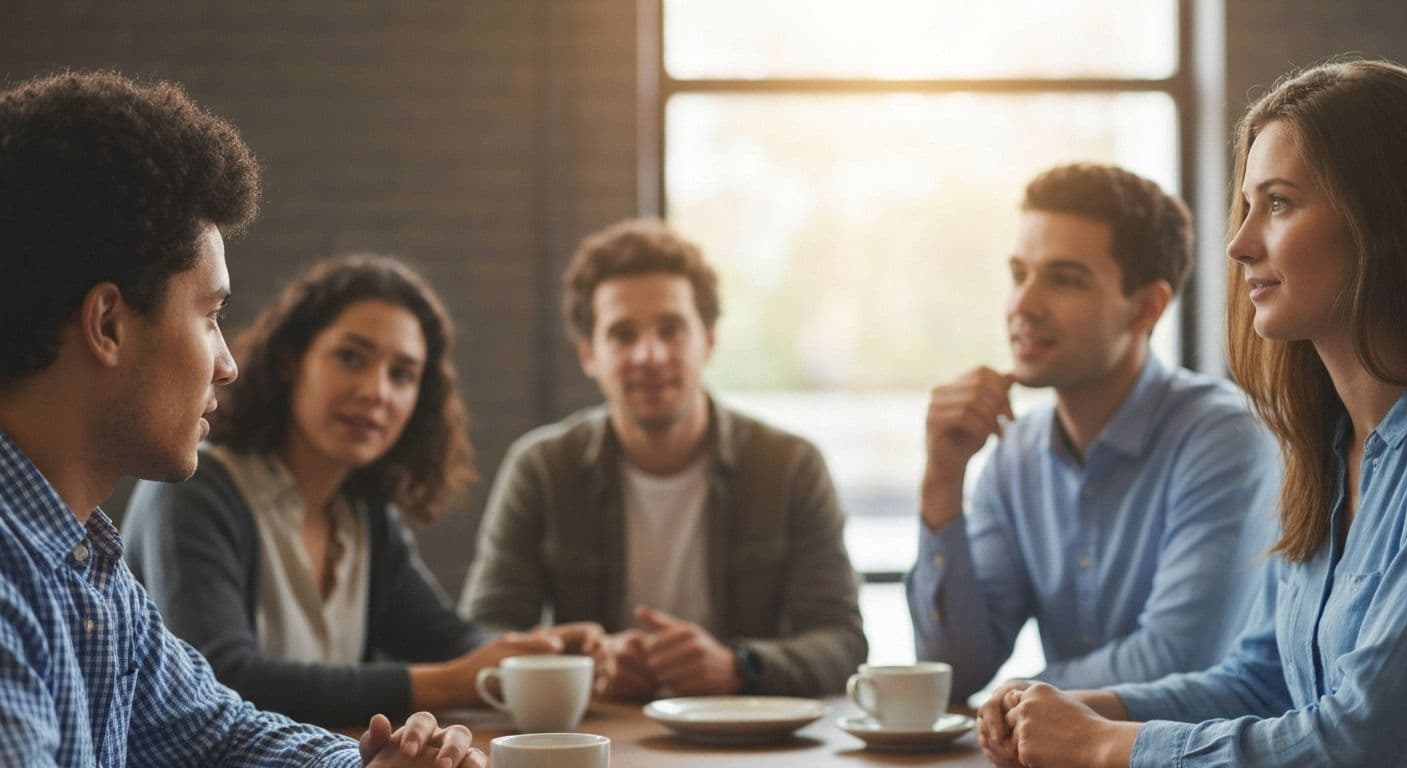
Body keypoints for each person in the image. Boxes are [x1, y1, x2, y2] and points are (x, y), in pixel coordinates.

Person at [0, 71, 481, 766]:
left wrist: (368, 766)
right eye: (210, 316)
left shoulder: (83, 563)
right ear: (107, 323)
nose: (226, 362)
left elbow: (219, 732)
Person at [983, 58, 1407, 767]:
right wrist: (1082, 708)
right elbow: (1262, 679)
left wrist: (1104, 747)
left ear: (1381, 221)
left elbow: (1363, 740)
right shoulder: (1322, 454)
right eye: (1247, 205)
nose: (1240, 244)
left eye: (1278, 203)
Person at [123, 255, 602, 728]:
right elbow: (222, 680)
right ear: (292, 360)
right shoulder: (195, 491)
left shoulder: (363, 514)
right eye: (351, 358)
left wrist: (548, 653)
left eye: (402, 374)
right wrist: (448, 683)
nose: (376, 392)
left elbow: (445, 638)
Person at [906, 163, 1280, 701]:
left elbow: (1174, 658)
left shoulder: (1222, 437)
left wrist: (1015, 699)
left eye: (1064, 279)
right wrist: (941, 481)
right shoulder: (1013, 454)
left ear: (1147, 307)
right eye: (1019, 275)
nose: (1023, 306)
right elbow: (954, 672)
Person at [460, 218, 867, 698]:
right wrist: (584, 663)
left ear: (708, 340)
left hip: (746, 739)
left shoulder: (791, 466)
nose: (649, 355)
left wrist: (740, 666)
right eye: (623, 335)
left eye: (670, 330)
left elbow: (842, 641)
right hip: (601, 740)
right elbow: (482, 635)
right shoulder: (543, 469)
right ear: (589, 354)